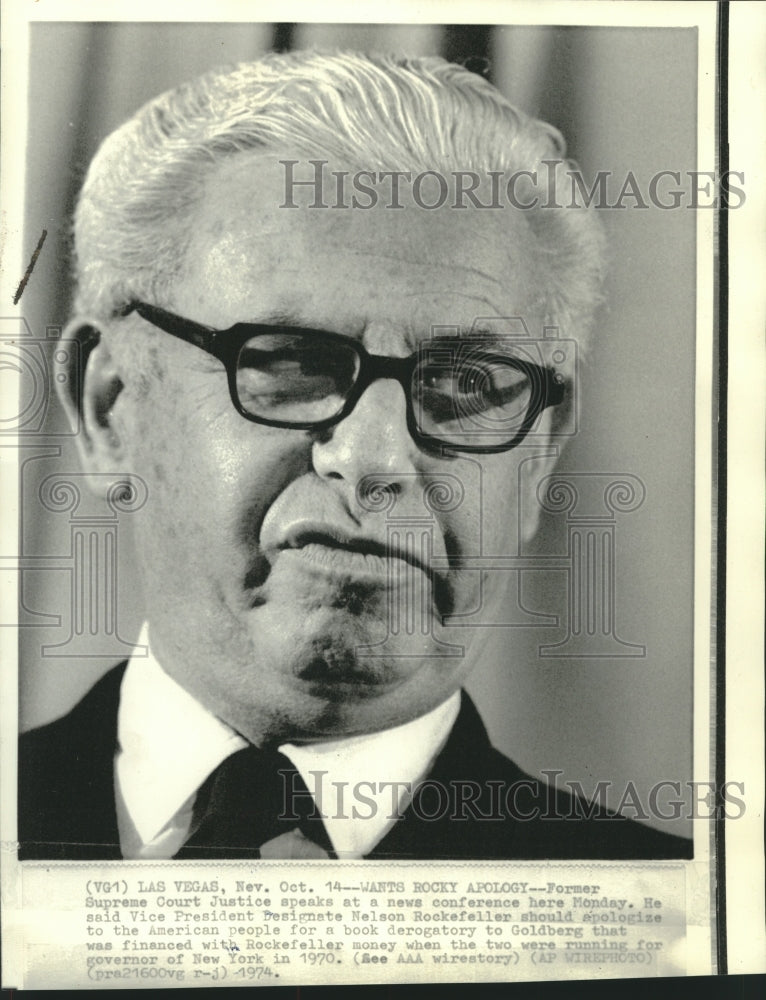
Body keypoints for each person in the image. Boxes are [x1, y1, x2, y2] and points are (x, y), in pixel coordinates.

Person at [19, 50, 691, 861]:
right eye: (292, 363)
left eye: (466, 383)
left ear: (541, 452)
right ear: (110, 406)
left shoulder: (660, 923)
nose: (376, 460)